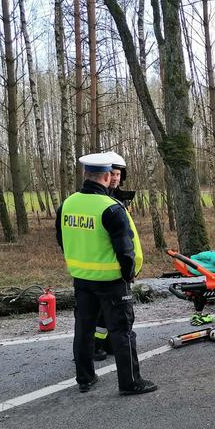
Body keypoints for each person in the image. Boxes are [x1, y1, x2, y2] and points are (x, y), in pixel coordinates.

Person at [56, 152, 157, 395]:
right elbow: (125, 249)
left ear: (86, 175)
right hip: (112, 281)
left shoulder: (67, 204)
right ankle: (130, 382)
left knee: (84, 328)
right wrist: (128, 274)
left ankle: (85, 378)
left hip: (81, 279)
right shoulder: (111, 208)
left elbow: (61, 239)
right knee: (122, 331)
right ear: (104, 176)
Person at [93, 152, 129, 361]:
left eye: (118, 174)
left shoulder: (116, 197)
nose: (115, 178)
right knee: (99, 311)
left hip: (113, 264)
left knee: (112, 311)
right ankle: (96, 344)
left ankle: (106, 343)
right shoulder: (101, 200)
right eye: (112, 174)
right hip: (102, 265)